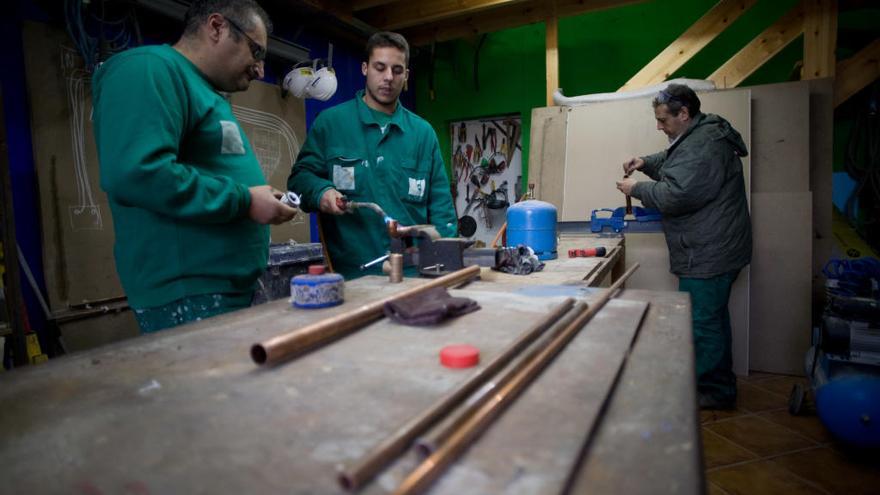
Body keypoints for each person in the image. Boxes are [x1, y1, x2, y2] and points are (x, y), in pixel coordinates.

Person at [93, 0, 297, 333]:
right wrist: (245, 201)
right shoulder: (150, 69)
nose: (260, 69)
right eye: (256, 52)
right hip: (189, 293)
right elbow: (138, 172)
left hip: (219, 290)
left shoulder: (205, 91)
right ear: (217, 27)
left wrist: (253, 197)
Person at [616, 83, 752, 410]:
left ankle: (713, 392)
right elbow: (674, 159)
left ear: (684, 114)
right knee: (711, 318)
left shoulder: (704, 145)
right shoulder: (698, 135)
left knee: (704, 322)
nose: (658, 126)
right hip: (711, 246)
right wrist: (644, 161)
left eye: (663, 120)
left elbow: (677, 194)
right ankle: (716, 384)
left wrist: (637, 188)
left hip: (708, 251)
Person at [287, 31, 457, 278]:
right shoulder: (331, 124)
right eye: (380, 67)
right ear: (365, 68)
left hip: (414, 277)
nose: (389, 77)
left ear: (406, 76)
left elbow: (442, 211)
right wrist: (321, 191)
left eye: (397, 70)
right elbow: (299, 180)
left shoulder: (423, 134)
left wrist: (445, 268)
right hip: (352, 278)